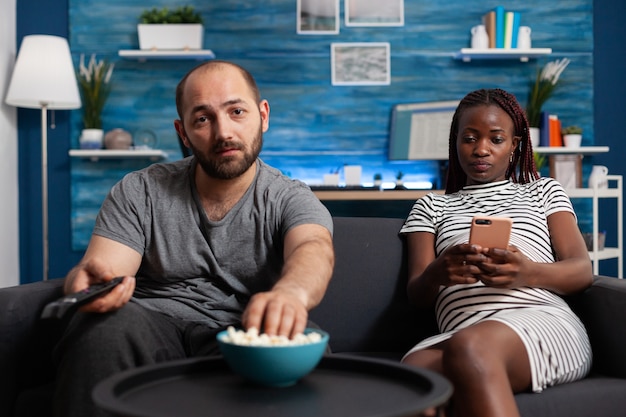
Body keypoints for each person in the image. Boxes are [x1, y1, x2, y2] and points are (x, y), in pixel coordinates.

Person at [52, 60, 335, 417]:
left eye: (237, 111)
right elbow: (104, 271)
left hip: (242, 330)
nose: (224, 133)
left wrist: (291, 293)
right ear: (182, 132)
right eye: (202, 119)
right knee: (101, 329)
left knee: (302, 345)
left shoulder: (289, 197)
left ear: (263, 115)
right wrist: (86, 285)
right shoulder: (140, 189)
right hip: (149, 323)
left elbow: (313, 248)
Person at [399, 88, 592, 417]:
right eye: (470, 138)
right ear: (455, 141)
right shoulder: (431, 206)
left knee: (471, 347)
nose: (481, 149)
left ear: (514, 145)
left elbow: (582, 270)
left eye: (496, 139)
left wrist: (526, 272)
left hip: (539, 321)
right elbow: (417, 293)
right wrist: (438, 273)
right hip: (458, 331)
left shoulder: (544, 191)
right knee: (408, 381)